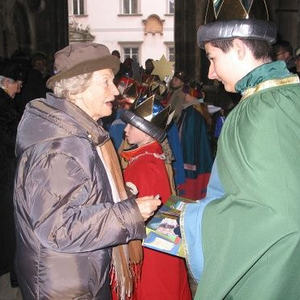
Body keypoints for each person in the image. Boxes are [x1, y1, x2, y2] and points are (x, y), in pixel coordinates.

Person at [13, 42, 161, 300]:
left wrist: (120, 192)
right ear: (77, 88)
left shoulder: (77, 132)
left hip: (76, 274)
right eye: (106, 82)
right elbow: (58, 228)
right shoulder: (59, 146)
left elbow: (78, 193)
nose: (115, 91)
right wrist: (129, 214)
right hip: (65, 286)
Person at [181, 2, 300, 299]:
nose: (210, 73)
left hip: (272, 275)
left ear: (238, 47)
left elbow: (282, 216)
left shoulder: (260, 109)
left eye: (212, 58)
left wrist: (194, 219)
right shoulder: (289, 94)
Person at [120, 96, 191, 300]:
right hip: (160, 245)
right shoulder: (151, 158)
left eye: (131, 125)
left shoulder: (144, 164)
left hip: (150, 250)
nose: (126, 130)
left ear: (145, 130)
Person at [0, 63, 23, 299]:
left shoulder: (7, 104)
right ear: (6, 82)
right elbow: (14, 142)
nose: (20, 87)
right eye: (17, 83)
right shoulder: (5, 108)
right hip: (5, 174)